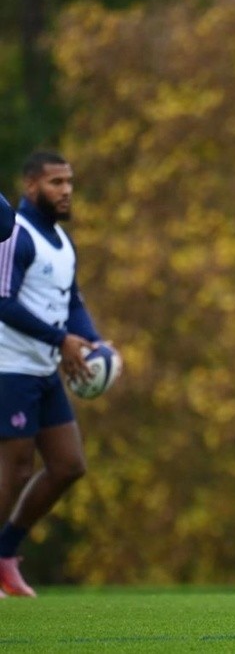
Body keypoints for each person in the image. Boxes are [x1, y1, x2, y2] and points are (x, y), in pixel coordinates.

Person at [0, 151, 116, 598]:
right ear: (31, 186)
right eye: (55, 182)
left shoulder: (63, 242)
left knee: (68, 465)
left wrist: (94, 343)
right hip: (10, 367)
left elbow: (72, 303)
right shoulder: (15, 234)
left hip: (44, 368)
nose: (66, 190)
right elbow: (4, 303)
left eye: (69, 182)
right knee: (15, 470)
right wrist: (60, 339)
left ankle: (5, 552)